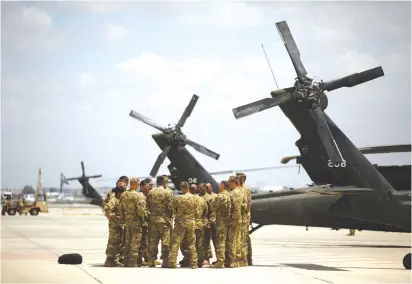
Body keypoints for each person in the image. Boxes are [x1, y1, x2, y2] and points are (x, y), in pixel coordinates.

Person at [167, 182, 198, 269]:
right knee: (191, 243)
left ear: (182, 188)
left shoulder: (178, 198)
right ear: (188, 187)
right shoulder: (194, 198)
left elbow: (172, 209)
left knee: (175, 242)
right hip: (191, 222)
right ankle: (194, 263)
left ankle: (172, 262)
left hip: (180, 222)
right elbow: (197, 211)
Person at [118, 177, 148, 267]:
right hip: (136, 222)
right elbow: (141, 210)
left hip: (127, 222)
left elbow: (120, 209)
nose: (139, 185)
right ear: (135, 184)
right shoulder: (138, 195)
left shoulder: (123, 195)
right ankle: (133, 262)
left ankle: (126, 261)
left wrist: (123, 219)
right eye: (138, 184)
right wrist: (144, 217)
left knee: (127, 242)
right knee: (135, 242)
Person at [146, 175, 174, 268]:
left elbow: (147, 206)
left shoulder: (151, 192)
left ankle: (151, 261)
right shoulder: (167, 192)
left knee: (153, 241)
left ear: (157, 182)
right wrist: (170, 216)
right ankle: (165, 261)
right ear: (163, 182)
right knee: (165, 240)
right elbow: (170, 207)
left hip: (153, 219)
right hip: (164, 219)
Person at [103, 181, 126, 267]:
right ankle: (109, 260)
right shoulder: (114, 200)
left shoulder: (120, 200)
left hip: (120, 225)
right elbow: (106, 209)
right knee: (113, 242)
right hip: (114, 225)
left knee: (118, 242)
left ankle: (115, 260)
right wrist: (113, 216)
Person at [212, 181, 231, 268]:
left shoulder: (220, 196)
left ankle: (220, 261)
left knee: (220, 241)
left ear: (223, 185)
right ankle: (228, 260)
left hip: (221, 222)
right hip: (229, 221)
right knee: (228, 241)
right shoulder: (231, 195)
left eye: (220, 185)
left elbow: (214, 207)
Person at [226, 176, 244, 268]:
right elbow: (244, 206)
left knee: (231, 240)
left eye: (229, 182)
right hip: (239, 218)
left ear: (233, 183)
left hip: (233, 219)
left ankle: (232, 261)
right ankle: (238, 260)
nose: (228, 184)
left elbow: (229, 208)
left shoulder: (232, 194)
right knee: (238, 239)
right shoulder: (241, 192)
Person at [236, 172, 252, 266]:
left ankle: (246, 258)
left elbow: (247, 205)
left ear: (244, 179)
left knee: (244, 238)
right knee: (237, 238)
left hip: (244, 217)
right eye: (237, 177)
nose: (238, 179)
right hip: (238, 217)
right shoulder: (236, 189)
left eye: (240, 178)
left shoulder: (246, 190)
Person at [192, 183, 208, 268]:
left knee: (191, 243)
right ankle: (200, 261)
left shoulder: (185, 199)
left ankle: (192, 260)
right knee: (200, 244)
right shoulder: (202, 200)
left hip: (190, 224)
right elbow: (206, 212)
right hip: (199, 224)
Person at [204, 183, 217, 264]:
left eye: (207, 187)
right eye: (205, 187)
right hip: (205, 222)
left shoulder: (216, 196)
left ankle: (219, 259)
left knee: (216, 241)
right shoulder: (202, 197)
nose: (206, 188)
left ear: (211, 187)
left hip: (214, 222)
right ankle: (207, 258)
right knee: (205, 242)